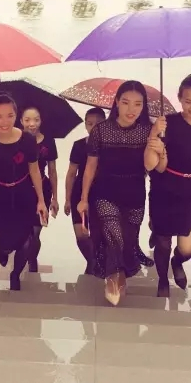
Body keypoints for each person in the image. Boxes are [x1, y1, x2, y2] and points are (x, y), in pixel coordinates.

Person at [77, 81, 153, 306]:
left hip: (135, 193)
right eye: (126, 102)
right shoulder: (101, 130)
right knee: (114, 236)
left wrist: (157, 138)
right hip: (105, 191)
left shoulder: (148, 131)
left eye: (138, 104)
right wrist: (83, 198)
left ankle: (120, 276)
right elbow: (90, 167)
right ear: (117, 102)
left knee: (128, 240)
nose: (132, 109)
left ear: (144, 106)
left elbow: (153, 168)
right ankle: (112, 279)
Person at [0, 93, 48, 291]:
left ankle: (16, 273)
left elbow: (34, 170)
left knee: (25, 240)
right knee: (5, 239)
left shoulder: (28, 140)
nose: (4, 121)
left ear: (16, 116)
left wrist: (41, 200)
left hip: (24, 192)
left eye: (10, 116)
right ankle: (3, 248)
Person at [145, 74, 191, 297]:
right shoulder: (168, 123)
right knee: (163, 243)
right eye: (188, 101)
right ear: (180, 99)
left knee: (186, 249)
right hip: (165, 189)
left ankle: (177, 261)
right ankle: (163, 280)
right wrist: (155, 132)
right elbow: (154, 166)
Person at [64, 107, 105, 274]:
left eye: (98, 123)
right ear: (85, 125)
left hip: (103, 192)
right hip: (79, 192)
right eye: (89, 123)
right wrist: (67, 199)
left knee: (97, 232)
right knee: (80, 234)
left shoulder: (110, 146)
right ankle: (92, 260)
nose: (93, 127)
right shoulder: (79, 145)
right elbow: (71, 173)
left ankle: (96, 262)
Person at [20, 106, 59, 272]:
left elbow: (52, 171)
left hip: (42, 190)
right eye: (27, 120)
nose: (32, 124)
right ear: (21, 121)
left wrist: (55, 198)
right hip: (20, 190)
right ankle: (20, 258)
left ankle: (32, 259)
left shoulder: (48, 141)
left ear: (41, 121)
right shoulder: (15, 139)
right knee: (23, 232)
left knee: (36, 232)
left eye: (36, 120)